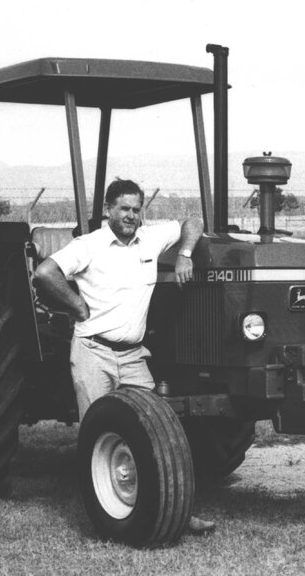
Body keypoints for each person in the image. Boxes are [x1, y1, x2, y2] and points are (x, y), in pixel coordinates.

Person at [34, 178, 214, 535]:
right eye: (124, 209)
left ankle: (178, 512)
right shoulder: (89, 245)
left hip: (133, 355)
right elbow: (44, 273)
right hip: (93, 353)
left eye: (136, 209)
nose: (131, 216)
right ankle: (105, 516)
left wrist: (184, 253)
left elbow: (193, 222)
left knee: (160, 432)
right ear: (107, 210)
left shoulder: (150, 237)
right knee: (98, 438)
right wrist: (76, 306)